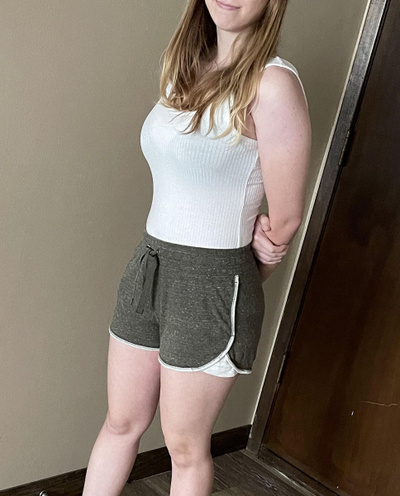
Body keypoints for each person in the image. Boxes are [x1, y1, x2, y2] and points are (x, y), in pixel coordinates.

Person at [82, 0, 311, 495]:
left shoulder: (272, 84)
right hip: (150, 266)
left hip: (213, 281)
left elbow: (286, 217)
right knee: (120, 422)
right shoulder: (184, 68)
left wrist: (246, 269)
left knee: (184, 448)